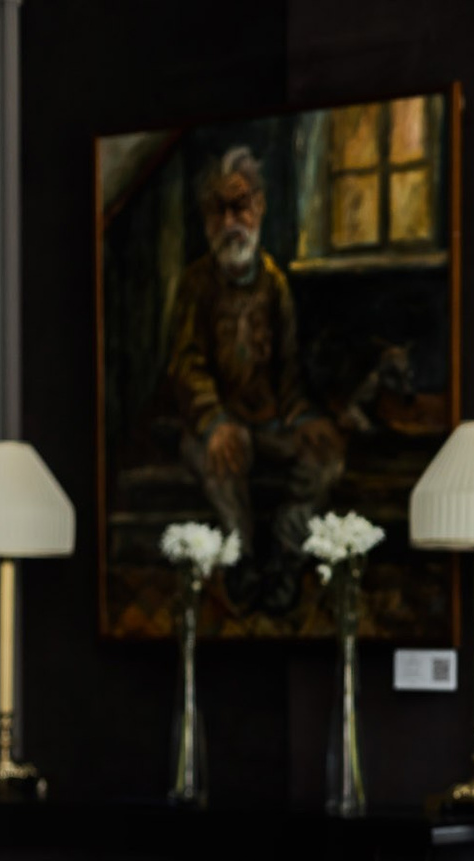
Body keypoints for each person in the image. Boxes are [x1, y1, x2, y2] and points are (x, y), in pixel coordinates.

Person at [159, 145, 342, 614]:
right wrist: (214, 422)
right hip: (211, 425)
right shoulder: (195, 284)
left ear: (258, 208)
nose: (229, 221)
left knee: (326, 458)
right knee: (224, 453)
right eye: (217, 210)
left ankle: (286, 553)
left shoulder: (275, 284)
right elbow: (185, 364)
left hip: (271, 424)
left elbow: (289, 368)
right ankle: (241, 559)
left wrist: (303, 417)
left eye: (238, 206)